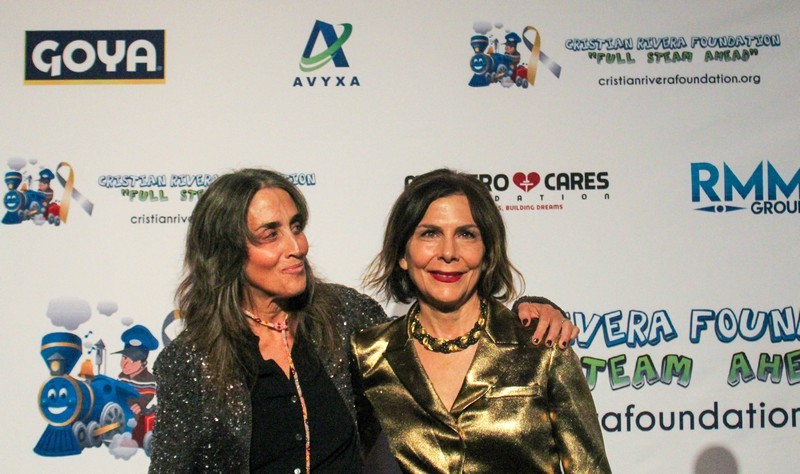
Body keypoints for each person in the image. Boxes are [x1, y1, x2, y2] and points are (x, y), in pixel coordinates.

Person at [148, 168, 576, 473]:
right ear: (225, 251)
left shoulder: (345, 317)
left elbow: (433, 332)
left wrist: (532, 308)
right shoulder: (190, 362)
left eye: (296, 226)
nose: (297, 245)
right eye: (271, 234)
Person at [352, 169, 611, 473]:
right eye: (430, 233)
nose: (448, 252)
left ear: (487, 253)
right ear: (403, 254)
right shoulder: (368, 356)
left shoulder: (542, 348)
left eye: (466, 234)